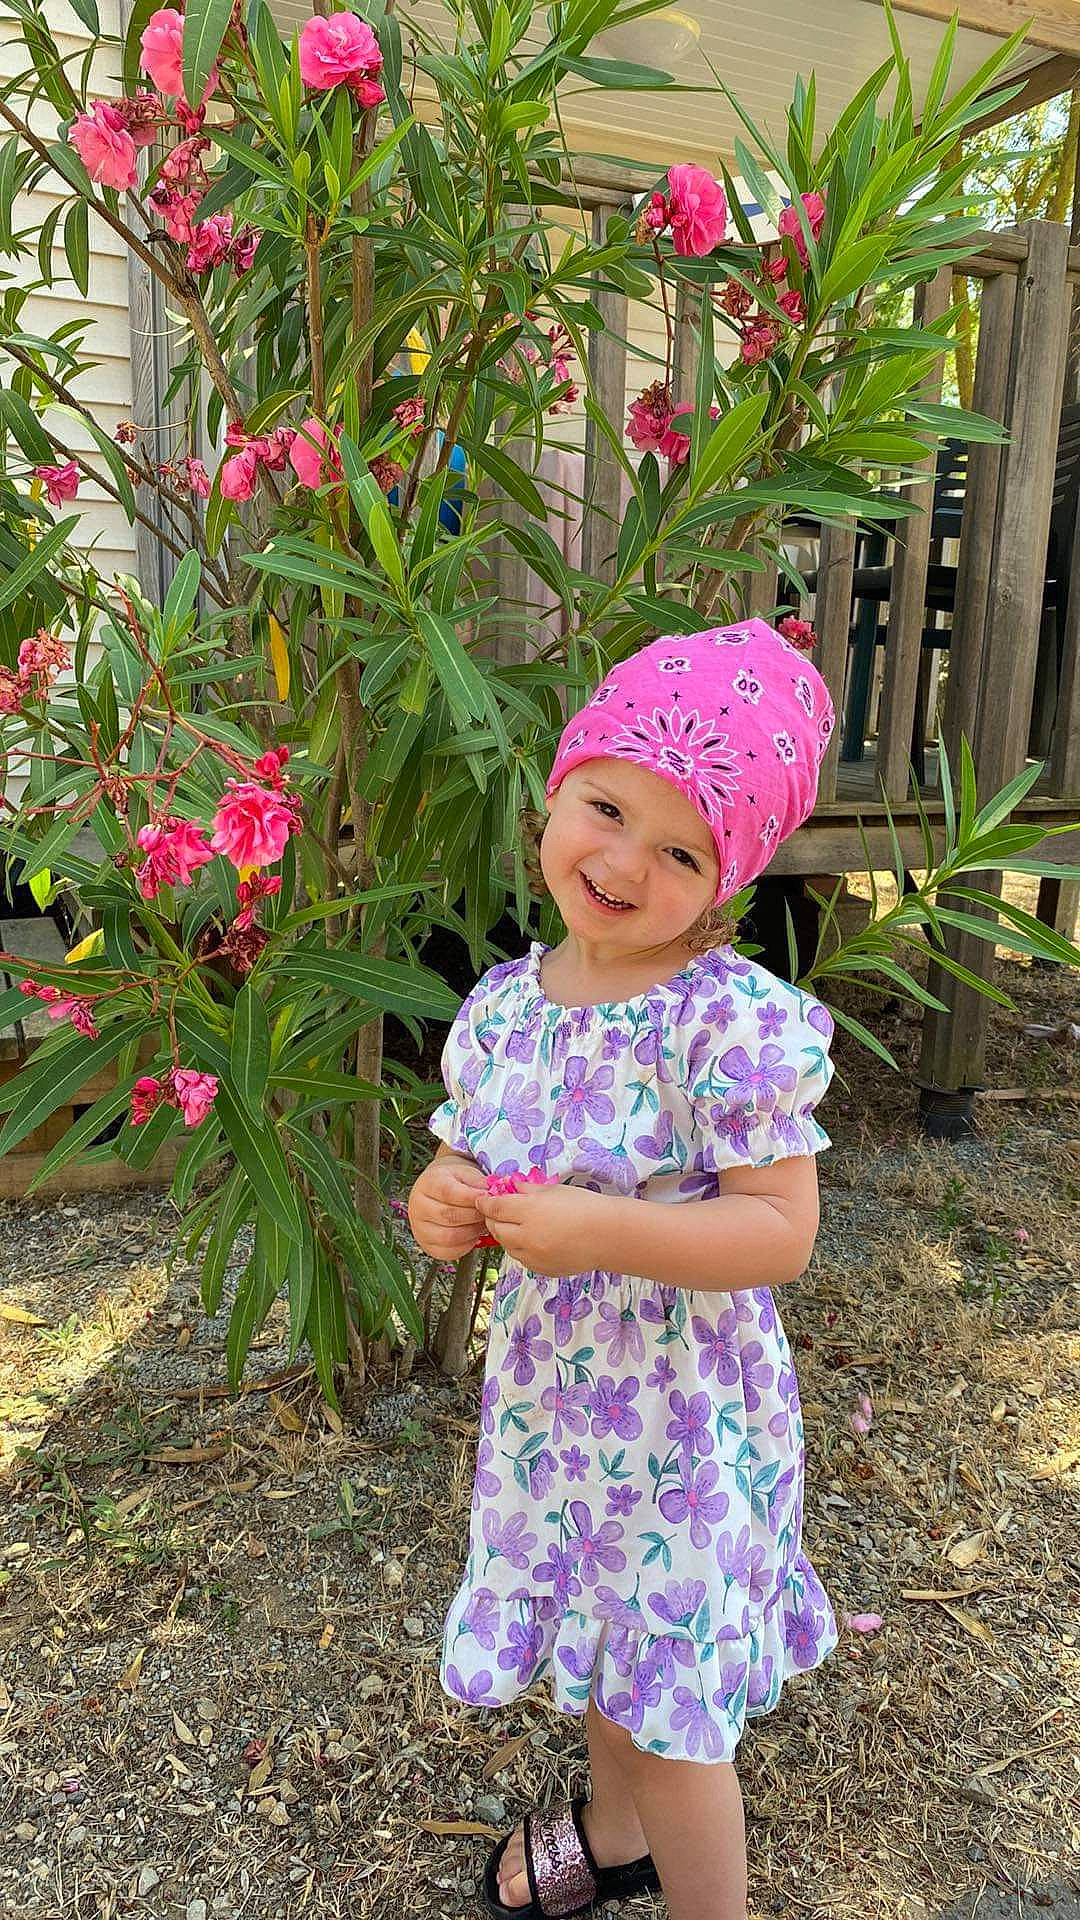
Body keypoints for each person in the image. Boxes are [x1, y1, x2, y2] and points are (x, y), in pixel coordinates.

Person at [407, 619, 838, 1920]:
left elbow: (780, 1230)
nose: (622, 862)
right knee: (599, 1655)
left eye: (680, 849)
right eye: (605, 807)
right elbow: (461, 1163)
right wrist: (443, 1205)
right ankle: (613, 1832)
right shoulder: (506, 1011)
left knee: (673, 1717)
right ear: (559, 789)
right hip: (556, 1423)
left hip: (683, 1433)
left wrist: (606, 1232)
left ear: (727, 878)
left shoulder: (722, 1025)